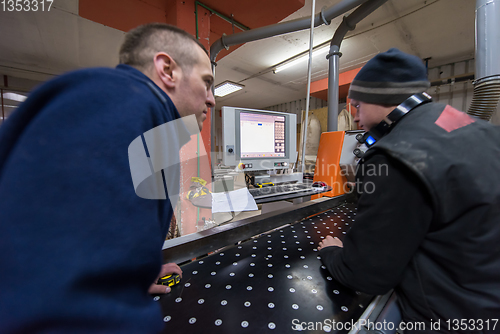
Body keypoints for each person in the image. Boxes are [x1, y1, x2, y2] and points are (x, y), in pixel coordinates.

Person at [0, 23, 215, 333]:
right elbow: (61, 305)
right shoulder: (121, 101)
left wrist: (130, 273)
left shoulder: (149, 127)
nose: (212, 99)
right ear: (167, 69)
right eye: (206, 82)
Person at [318, 48, 500, 332]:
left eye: (357, 105)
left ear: (379, 99)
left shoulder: (393, 154)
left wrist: (332, 252)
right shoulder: (468, 125)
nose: (355, 117)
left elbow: (366, 275)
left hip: (453, 316)